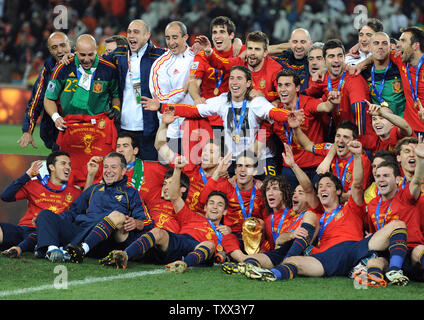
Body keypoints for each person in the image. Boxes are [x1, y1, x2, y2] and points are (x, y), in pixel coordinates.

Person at [243, 141, 413, 284]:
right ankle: (273, 274)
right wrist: (293, 164)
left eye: (328, 185)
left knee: (397, 225)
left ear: (338, 192)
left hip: (355, 248)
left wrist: (356, 156)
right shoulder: (317, 215)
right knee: (293, 261)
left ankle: (394, 272)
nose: (322, 188)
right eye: (320, 187)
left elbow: (357, 184)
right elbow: (308, 189)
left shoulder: (351, 207)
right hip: (328, 257)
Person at [142, 65, 300, 175]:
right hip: (233, 160)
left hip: (260, 159)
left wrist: (288, 116)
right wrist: (162, 107)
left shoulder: (257, 102)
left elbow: (273, 113)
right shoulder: (222, 100)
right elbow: (193, 110)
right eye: (232, 78)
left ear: (248, 83)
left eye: (239, 78)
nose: (234, 82)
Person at [100, 156, 246, 271]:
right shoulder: (191, 216)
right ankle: (124, 255)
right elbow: (175, 196)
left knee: (208, 244)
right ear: (205, 208)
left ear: (225, 211)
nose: (215, 207)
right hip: (179, 242)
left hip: (199, 251)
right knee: (158, 232)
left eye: (220, 205)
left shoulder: (227, 234)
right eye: (211, 204)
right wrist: (177, 169)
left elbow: (238, 255)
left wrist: (250, 262)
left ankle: (183, 264)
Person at [34, 152, 154, 263]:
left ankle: (76, 249)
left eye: (113, 167)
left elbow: (147, 221)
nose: (108, 171)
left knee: (113, 216)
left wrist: (136, 223)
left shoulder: (131, 193)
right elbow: (73, 213)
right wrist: (51, 221)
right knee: (45, 214)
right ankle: (52, 250)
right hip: (80, 230)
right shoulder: (94, 189)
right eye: (106, 167)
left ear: (123, 170)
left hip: (103, 240)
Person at [222, 144, 319, 274]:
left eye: (275, 189)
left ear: (284, 193)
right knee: (253, 258)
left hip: (302, 256)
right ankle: (245, 265)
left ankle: (281, 267)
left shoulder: (303, 214)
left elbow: (308, 188)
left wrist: (293, 166)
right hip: (276, 254)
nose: (270, 193)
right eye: (267, 189)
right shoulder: (268, 218)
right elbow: (278, 239)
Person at [43, 34, 121, 187]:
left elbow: (116, 95)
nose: (87, 59)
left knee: (100, 175)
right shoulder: (63, 67)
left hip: (98, 129)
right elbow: (49, 98)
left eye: (91, 54)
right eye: (82, 55)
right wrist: (55, 117)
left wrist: (116, 108)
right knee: (70, 175)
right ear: (75, 51)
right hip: (71, 129)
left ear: (97, 51)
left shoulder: (109, 69)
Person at [261, 69, 341, 189]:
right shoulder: (275, 112)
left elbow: (325, 106)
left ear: (297, 88)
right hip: (290, 167)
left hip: (316, 166)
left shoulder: (307, 103)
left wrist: (333, 103)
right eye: (280, 85)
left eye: (287, 85)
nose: (282, 89)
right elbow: (261, 138)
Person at [0, 151, 82, 258]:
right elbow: (5, 196)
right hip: (24, 229)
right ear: (52, 167)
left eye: (69, 164)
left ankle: (21, 248)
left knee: (40, 235)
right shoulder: (34, 185)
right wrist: (27, 175)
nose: (68, 167)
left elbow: (79, 216)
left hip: (47, 234)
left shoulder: (75, 192)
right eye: (63, 163)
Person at [105, 19, 166, 161]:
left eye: (136, 32)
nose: (131, 35)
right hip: (124, 127)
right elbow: (96, 62)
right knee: (123, 170)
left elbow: (181, 57)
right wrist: (72, 56)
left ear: (147, 35)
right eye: (129, 32)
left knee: (148, 171)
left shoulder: (159, 55)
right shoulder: (119, 54)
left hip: (149, 129)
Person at [358, 156, 424, 286]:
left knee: (420, 250)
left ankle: (396, 272)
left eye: (386, 175)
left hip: (411, 253)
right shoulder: (372, 205)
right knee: (375, 262)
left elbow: (416, 181)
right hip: (389, 254)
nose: (381, 179)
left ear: (397, 180)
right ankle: (375, 280)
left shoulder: (406, 196)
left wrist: (421, 159)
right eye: (378, 176)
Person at [154, 108, 227, 213]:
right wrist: (164, 125)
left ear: (221, 159)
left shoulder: (225, 184)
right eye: (204, 151)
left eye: (211, 152)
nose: (205, 154)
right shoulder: (188, 167)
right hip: (178, 217)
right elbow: (160, 147)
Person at [198, 151, 265, 254]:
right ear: (235, 170)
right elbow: (203, 200)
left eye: (247, 166)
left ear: (255, 171)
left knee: (260, 222)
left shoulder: (261, 191)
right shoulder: (226, 185)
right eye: (239, 166)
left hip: (253, 238)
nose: (242, 169)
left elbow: (268, 220)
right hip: (229, 234)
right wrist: (217, 173)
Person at [291, 119, 372, 203]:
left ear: (354, 141)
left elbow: (352, 195)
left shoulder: (361, 161)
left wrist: (325, 194)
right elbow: (307, 144)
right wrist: (296, 128)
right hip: (333, 201)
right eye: (338, 136)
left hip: (352, 205)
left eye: (346, 137)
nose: (340, 140)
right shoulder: (331, 149)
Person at [150, 21, 198, 156]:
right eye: (167, 38)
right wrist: (183, 89)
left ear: (185, 37)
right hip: (170, 131)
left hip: (195, 129)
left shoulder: (198, 57)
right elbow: (160, 100)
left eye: (175, 37)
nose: (171, 42)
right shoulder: (159, 65)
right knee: (170, 175)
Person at [306, 39, 371, 137]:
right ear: (324, 60)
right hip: (342, 137)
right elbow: (305, 94)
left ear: (344, 58)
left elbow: (359, 111)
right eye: (331, 56)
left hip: (361, 139)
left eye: (340, 56)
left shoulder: (353, 78)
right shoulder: (324, 78)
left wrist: (357, 141)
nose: (336, 60)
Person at [188, 16, 244, 130]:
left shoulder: (240, 52)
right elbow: (193, 81)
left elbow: (262, 49)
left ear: (231, 35)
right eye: (214, 32)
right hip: (210, 118)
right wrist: (196, 97)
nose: (217, 36)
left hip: (236, 118)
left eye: (222, 32)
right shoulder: (203, 56)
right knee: (212, 148)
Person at [19, 32, 72, 150]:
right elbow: (36, 101)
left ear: (70, 45)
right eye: (54, 47)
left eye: (63, 45)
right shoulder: (48, 70)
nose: (59, 50)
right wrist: (27, 130)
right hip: (56, 131)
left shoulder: (84, 62)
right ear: (49, 50)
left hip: (82, 129)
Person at [360, 32, 405, 117]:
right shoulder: (364, 73)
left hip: (402, 124)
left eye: (384, 43)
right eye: (376, 43)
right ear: (369, 48)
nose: (380, 47)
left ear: (390, 47)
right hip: (379, 124)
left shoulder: (400, 68)